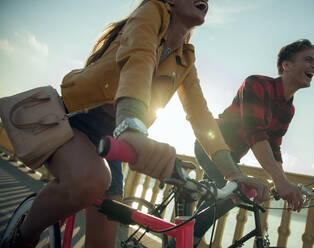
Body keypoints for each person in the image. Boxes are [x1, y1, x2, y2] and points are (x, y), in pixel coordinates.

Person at [1, 0, 269, 247]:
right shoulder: (151, 11)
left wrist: (233, 173)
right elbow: (138, 59)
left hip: (115, 136)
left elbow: (201, 117)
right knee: (91, 179)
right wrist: (132, 125)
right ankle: (24, 234)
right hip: (78, 119)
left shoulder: (186, 57)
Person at [191, 39, 314, 246]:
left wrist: (283, 181)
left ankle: (184, 234)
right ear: (286, 65)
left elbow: (274, 146)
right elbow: (255, 133)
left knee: (217, 201)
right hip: (211, 146)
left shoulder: (289, 109)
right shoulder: (256, 83)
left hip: (231, 157)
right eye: (308, 59)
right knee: (236, 192)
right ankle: (181, 239)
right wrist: (280, 181)